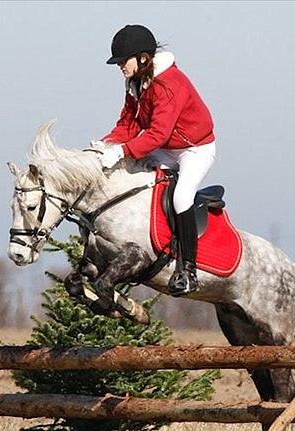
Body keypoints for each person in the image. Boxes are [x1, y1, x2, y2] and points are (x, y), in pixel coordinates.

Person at [95, 24, 216, 296]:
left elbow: (158, 133)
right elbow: (127, 125)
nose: (119, 67)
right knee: (130, 175)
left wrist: (123, 151)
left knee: (181, 198)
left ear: (142, 58)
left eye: (122, 61)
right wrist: (106, 145)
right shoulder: (136, 83)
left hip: (195, 150)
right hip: (166, 148)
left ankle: (188, 270)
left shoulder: (169, 83)